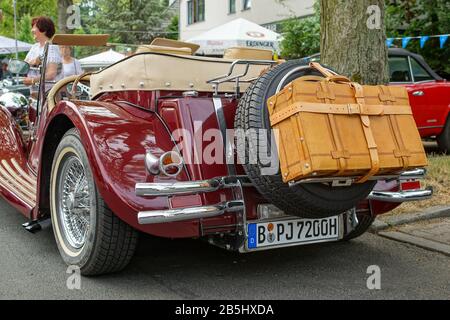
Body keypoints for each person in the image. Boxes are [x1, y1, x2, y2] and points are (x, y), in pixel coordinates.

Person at [23, 16, 62, 94]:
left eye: (34, 27)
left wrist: (33, 80)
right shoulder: (34, 47)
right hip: (34, 93)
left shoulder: (52, 48)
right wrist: (34, 61)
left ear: (43, 30)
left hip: (49, 94)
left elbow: (51, 74)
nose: (32, 30)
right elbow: (24, 65)